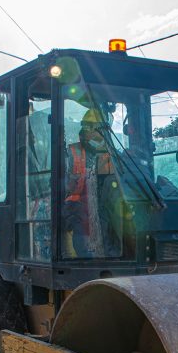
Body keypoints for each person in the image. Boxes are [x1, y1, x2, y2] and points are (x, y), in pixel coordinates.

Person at [63, 108, 115, 258]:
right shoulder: (72, 153)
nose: (104, 134)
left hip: (102, 208)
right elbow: (60, 187)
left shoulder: (110, 153)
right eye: (100, 130)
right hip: (76, 209)